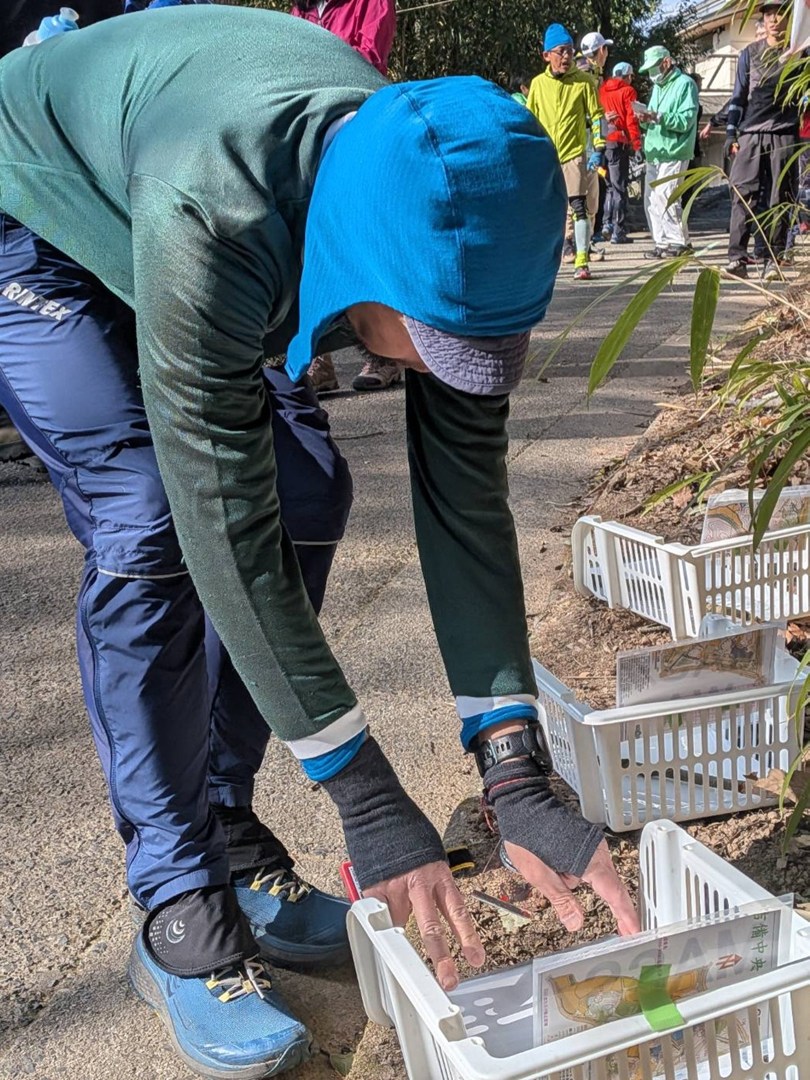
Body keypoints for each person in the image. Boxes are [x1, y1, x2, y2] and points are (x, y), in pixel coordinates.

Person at [0, 7, 638, 1078]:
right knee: (152, 518)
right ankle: (178, 895)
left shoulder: (455, 207)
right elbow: (220, 517)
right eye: (429, 341)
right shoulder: (221, 208)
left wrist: (515, 770)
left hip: (207, 213)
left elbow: (467, 507)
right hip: (39, 214)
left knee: (308, 489)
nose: (443, 371)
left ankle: (227, 826)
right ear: (354, 261)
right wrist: (367, 797)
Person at [293, 0, 399, 394]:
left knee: (364, 242)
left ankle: (385, 355)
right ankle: (319, 359)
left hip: (356, 129)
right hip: (309, 133)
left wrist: (310, 70)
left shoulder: (371, 3)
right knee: (309, 244)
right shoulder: (300, 10)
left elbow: (366, 59)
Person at [725, 0, 800, 281]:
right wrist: (731, 133)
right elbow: (738, 97)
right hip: (751, 133)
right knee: (742, 193)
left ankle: (772, 259)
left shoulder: (800, 54)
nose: (774, 19)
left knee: (780, 196)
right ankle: (737, 258)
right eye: (769, 14)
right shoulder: (749, 54)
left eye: (780, 13)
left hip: (785, 133)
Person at [527, 23, 606, 281]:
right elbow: (530, 120)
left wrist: (599, 148)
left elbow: (597, 116)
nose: (566, 57)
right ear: (546, 55)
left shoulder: (584, 82)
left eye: (570, 51)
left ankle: (581, 260)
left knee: (578, 206)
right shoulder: (538, 85)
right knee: (546, 211)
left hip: (574, 154)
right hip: (546, 156)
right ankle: (545, 262)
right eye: (561, 51)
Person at [637, 45, 699, 258]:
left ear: (666, 62)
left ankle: (679, 242)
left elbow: (686, 120)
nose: (651, 73)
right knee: (652, 200)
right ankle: (661, 243)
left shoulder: (686, 84)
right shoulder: (657, 87)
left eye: (654, 67)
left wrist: (657, 117)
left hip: (675, 150)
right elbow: (653, 118)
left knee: (667, 196)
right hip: (654, 151)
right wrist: (644, 119)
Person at [598, 61, 642, 244]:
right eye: (631, 76)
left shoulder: (602, 90)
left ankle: (606, 224)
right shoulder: (628, 91)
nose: (632, 80)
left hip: (602, 142)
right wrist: (637, 145)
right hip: (619, 142)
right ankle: (618, 230)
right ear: (626, 76)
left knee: (610, 185)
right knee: (619, 188)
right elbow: (631, 119)